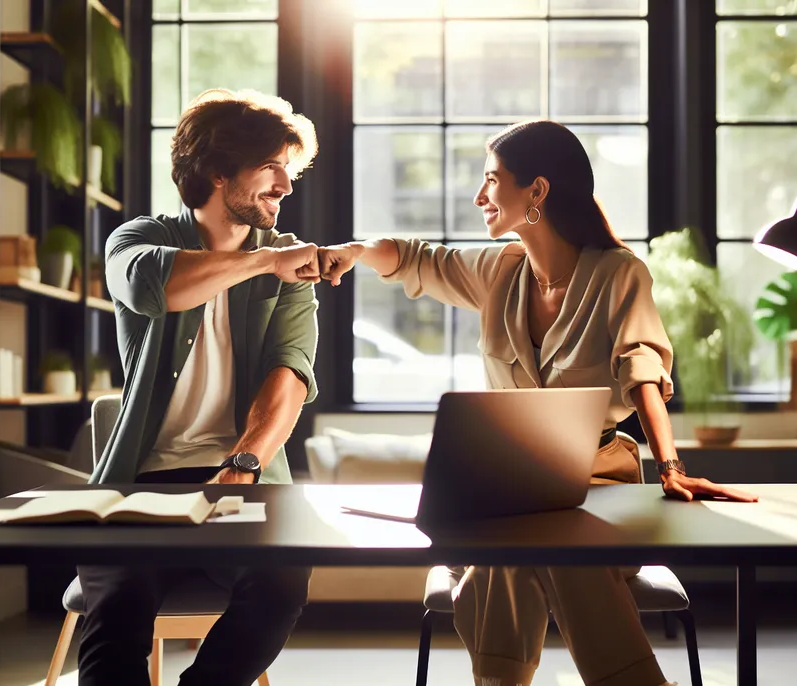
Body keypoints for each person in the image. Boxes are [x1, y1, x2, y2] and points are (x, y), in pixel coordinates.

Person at [316, 120, 758, 686]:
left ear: (537, 191)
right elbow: (414, 258)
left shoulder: (619, 273)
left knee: (528, 548)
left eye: (492, 179)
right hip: (507, 491)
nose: (480, 196)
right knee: (530, 543)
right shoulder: (497, 271)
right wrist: (350, 252)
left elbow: (642, 366)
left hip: (598, 487)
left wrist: (672, 467)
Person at [79, 88, 324, 686]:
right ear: (217, 171)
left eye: (289, 171)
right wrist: (264, 262)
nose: (285, 187)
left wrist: (243, 462)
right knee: (115, 612)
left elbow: (289, 373)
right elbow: (157, 289)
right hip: (139, 487)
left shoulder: (290, 261)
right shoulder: (136, 240)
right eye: (271, 168)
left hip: (244, 481)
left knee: (282, 581)